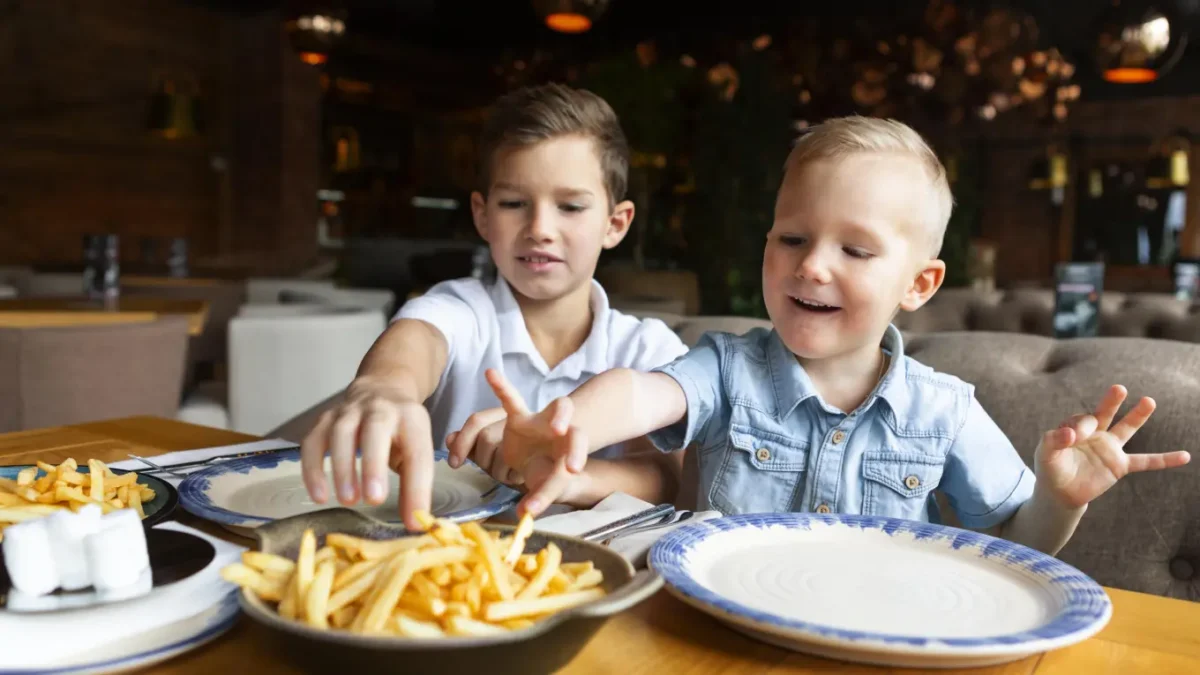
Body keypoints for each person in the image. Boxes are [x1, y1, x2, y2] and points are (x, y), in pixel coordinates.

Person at [483, 116, 1191, 555]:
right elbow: (642, 394)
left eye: (855, 250)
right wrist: (566, 422)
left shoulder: (943, 410)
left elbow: (1014, 542)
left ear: (919, 284)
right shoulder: (728, 368)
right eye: (792, 237)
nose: (812, 264)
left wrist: (1060, 500)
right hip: (721, 620)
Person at [299, 83, 688, 530]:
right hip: (447, 566)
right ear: (483, 215)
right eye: (514, 203)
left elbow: (669, 475)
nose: (540, 228)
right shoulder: (462, 310)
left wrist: (564, 479)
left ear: (614, 224)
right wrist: (382, 388)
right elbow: (417, 341)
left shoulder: (646, 348)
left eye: (570, 206)